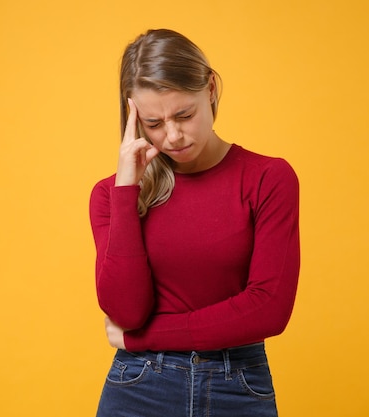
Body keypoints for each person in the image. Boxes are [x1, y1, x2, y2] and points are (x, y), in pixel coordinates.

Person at [89, 28, 300, 417]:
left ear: (211, 89)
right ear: (132, 119)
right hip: (138, 388)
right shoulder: (111, 195)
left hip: (236, 384)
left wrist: (145, 338)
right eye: (153, 123)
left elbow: (269, 308)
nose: (173, 136)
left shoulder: (268, 178)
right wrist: (126, 190)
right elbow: (127, 313)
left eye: (184, 114)